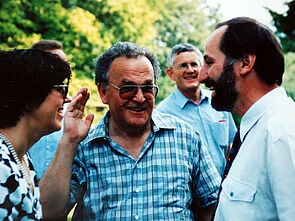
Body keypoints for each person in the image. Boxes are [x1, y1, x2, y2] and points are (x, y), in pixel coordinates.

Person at [40, 42, 221, 220]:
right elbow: (48, 213)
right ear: (104, 92)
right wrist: (69, 141)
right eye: (128, 90)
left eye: (148, 88)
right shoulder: (83, 146)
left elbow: (212, 207)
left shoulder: (186, 138)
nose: (140, 98)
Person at [198, 17, 295, 220]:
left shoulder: (282, 131)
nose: (201, 76)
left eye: (209, 63)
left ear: (245, 63)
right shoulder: (254, 130)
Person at [0, 49, 93, 220]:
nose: (67, 99)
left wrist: (70, 139)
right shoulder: (2, 167)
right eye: (62, 89)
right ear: (30, 96)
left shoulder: (20, 157)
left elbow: (46, 214)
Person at [156, 43, 237, 176]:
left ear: (202, 68)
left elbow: (230, 145)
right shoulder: (163, 113)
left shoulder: (219, 102)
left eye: (194, 64)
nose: (190, 70)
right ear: (171, 74)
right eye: (183, 65)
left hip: (224, 189)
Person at [29, 40, 70, 180]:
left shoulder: (71, 108)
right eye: (56, 64)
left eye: (65, 64)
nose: (63, 69)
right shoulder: (18, 106)